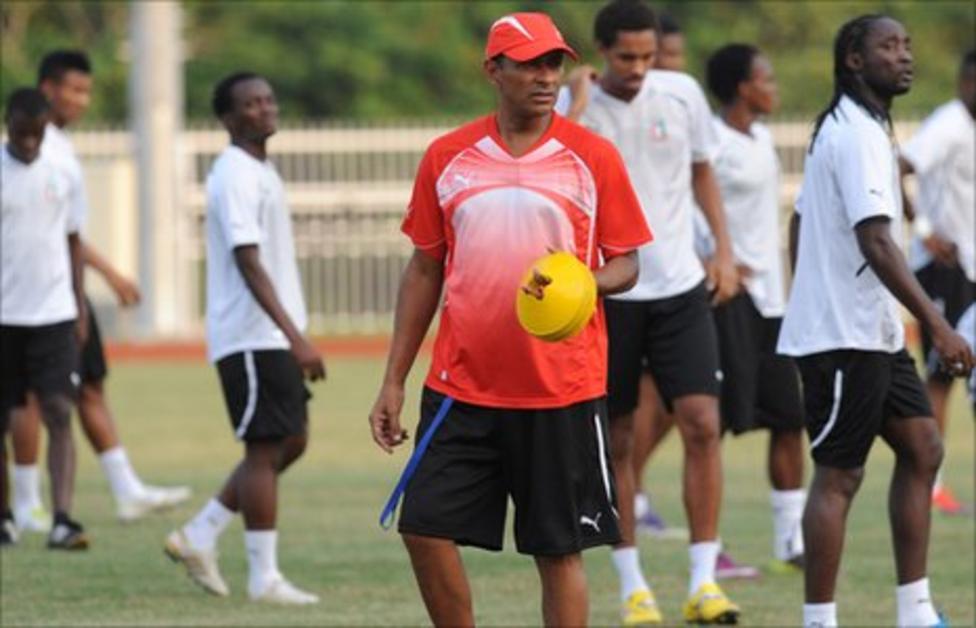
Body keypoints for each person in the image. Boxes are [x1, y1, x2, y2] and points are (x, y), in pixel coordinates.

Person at [367, 12, 651, 626]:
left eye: (553, 63)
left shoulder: (593, 158)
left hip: (561, 389)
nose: (546, 76)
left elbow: (627, 263)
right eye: (528, 64)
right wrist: (393, 378)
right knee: (422, 526)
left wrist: (584, 281)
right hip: (460, 388)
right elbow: (424, 269)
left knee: (559, 550)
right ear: (492, 70)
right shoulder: (447, 157)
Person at [777, 15, 974, 628]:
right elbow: (878, 244)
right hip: (842, 334)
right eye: (889, 46)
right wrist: (938, 328)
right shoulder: (855, 133)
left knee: (923, 446)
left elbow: (801, 222)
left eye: (908, 45)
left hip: (869, 329)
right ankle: (820, 621)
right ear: (855, 61)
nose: (905, 56)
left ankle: (914, 611)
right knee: (840, 474)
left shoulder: (859, 127)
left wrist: (813, 284)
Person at [559, 1, 743, 622]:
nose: (639, 68)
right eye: (625, 57)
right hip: (608, 294)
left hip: (680, 286)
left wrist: (723, 249)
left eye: (647, 55)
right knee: (617, 442)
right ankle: (632, 585)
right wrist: (578, 110)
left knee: (701, 423)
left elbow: (702, 174)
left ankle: (703, 582)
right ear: (601, 52)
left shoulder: (682, 92)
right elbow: (561, 174)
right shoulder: (571, 108)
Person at [9, 50, 190, 532]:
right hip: (31, 294)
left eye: (87, 92)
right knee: (28, 398)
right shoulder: (37, 146)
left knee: (86, 386)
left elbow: (66, 229)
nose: (83, 101)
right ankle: (26, 503)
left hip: (59, 290)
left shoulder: (59, 147)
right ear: (48, 90)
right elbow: (55, 232)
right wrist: (111, 274)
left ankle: (122, 486)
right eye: (75, 90)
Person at [164, 72, 325, 605]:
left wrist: (292, 337)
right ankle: (264, 578)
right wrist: (294, 336)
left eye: (269, 99)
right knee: (263, 451)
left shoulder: (259, 169)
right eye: (251, 104)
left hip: (269, 338)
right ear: (229, 120)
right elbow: (247, 259)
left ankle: (202, 532)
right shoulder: (234, 172)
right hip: (251, 336)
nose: (266, 108)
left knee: (291, 440)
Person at [699, 43, 806, 573]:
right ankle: (710, 547)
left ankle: (792, 542)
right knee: (712, 423)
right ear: (744, 87)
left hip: (773, 302)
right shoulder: (712, 141)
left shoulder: (762, 138)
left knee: (790, 418)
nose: (774, 86)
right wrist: (713, 260)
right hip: (727, 298)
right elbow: (688, 199)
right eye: (767, 76)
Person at [1, 87, 89, 549]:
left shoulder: (65, 170)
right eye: (21, 135)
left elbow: (74, 240)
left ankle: (62, 519)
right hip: (4, 316)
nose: (30, 144)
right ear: (8, 126)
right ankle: (5, 517)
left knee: (58, 411)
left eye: (36, 135)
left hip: (53, 313)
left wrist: (80, 303)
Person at [898, 48, 975, 516]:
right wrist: (925, 230)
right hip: (942, 267)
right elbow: (897, 168)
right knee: (942, 371)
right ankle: (930, 478)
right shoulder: (947, 124)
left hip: (970, 266)